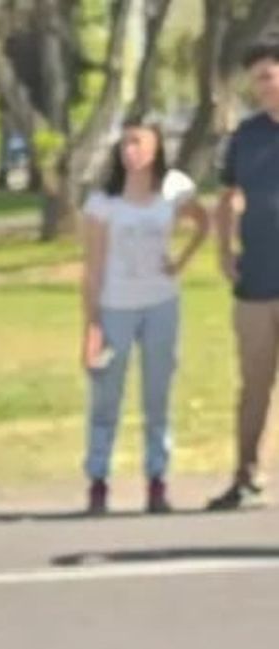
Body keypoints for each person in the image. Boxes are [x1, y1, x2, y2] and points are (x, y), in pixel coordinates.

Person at [80, 121, 210, 515]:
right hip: (116, 305)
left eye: (138, 141)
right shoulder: (104, 201)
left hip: (160, 304)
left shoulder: (173, 188)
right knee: (106, 397)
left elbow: (203, 222)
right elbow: (94, 267)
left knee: (158, 395)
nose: (130, 150)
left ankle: (157, 479)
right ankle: (98, 479)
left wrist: (181, 261)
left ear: (155, 146)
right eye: (125, 142)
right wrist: (92, 325)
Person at [208, 41, 279, 511]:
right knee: (253, 385)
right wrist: (224, 248)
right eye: (259, 77)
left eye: (272, 74)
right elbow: (228, 196)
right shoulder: (246, 137)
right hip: (257, 281)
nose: (267, 83)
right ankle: (246, 475)